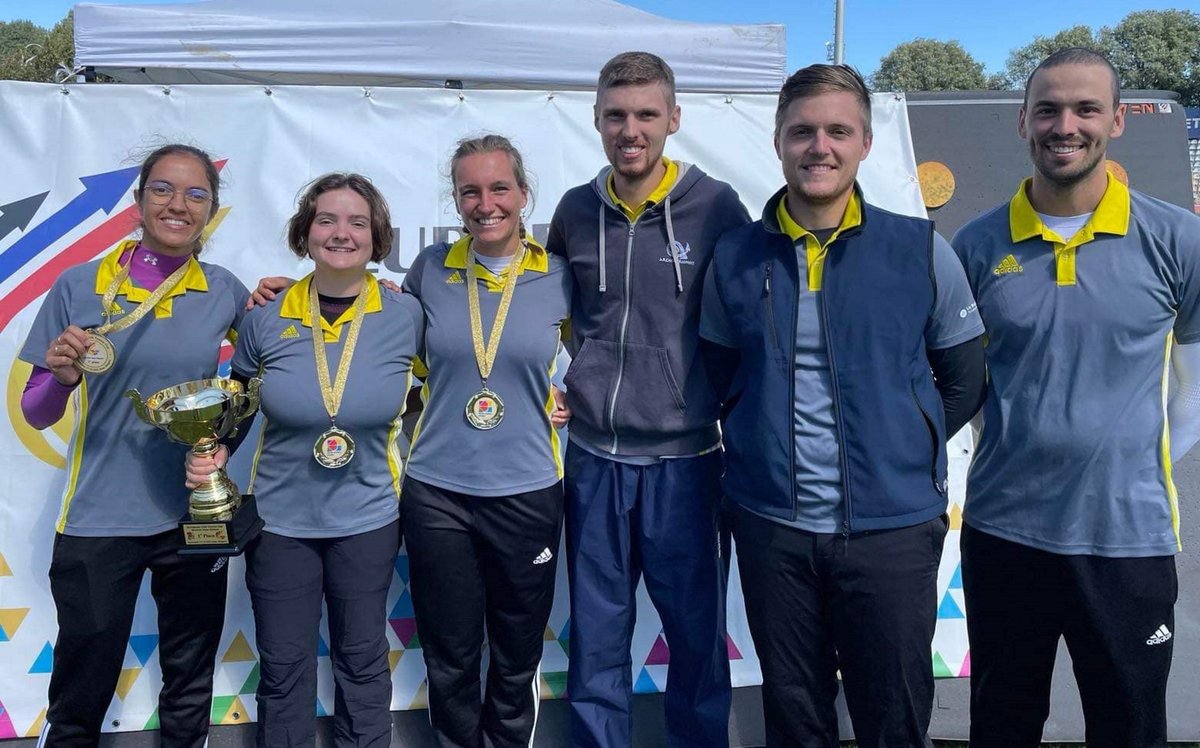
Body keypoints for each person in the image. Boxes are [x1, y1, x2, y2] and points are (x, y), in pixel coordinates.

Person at [700, 64, 987, 747]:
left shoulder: (919, 248)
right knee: (795, 715)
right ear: (777, 142)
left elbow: (965, 374)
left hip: (893, 529)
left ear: (863, 144)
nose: (818, 146)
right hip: (773, 525)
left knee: (892, 710)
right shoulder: (737, 255)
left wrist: (903, 447)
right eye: (802, 131)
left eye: (837, 131)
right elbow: (720, 374)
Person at [951, 48, 1200, 748]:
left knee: (1129, 729)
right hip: (1004, 533)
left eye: (1087, 108)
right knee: (1002, 726)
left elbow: (1193, 394)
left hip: (1128, 541)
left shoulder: (1178, 240)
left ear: (1116, 120)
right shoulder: (976, 245)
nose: (1068, 124)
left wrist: (1124, 467)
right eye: (1050, 109)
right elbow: (968, 389)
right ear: (1022, 121)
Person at [545, 51, 750, 748]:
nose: (629, 129)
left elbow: (750, 318)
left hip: (687, 463)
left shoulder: (717, 206)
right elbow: (542, 312)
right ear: (597, 119)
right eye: (615, 115)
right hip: (595, 461)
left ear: (673, 119)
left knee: (695, 642)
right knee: (598, 644)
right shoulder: (575, 210)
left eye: (645, 115)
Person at [18, 143, 250, 748]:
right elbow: (35, 411)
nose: (179, 204)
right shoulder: (80, 284)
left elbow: (258, 374)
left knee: (190, 680)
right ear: (139, 201)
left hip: (195, 513)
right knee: (81, 685)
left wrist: (282, 298)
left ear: (212, 209)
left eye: (196, 193)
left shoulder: (225, 289)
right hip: (99, 518)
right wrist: (63, 377)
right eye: (163, 189)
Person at [186, 173, 423, 748]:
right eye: (326, 220)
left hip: (367, 520)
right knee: (284, 666)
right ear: (304, 232)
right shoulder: (265, 317)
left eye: (357, 222)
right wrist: (213, 451)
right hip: (280, 523)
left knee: (363, 661)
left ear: (377, 238)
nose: (341, 233)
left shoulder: (406, 316)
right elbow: (236, 406)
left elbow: (442, 392)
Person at [399, 133, 571, 747]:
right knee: (449, 658)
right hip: (438, 493)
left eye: (499, 187)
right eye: (469, 190)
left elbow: (604, 354)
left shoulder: (558, 276)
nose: (485, 203)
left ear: (524, 195)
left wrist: (580, 395)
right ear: (456, 200)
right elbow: (386, 345)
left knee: (515, 656)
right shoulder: (428, 271)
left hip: (527, 491)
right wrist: (289, 294)